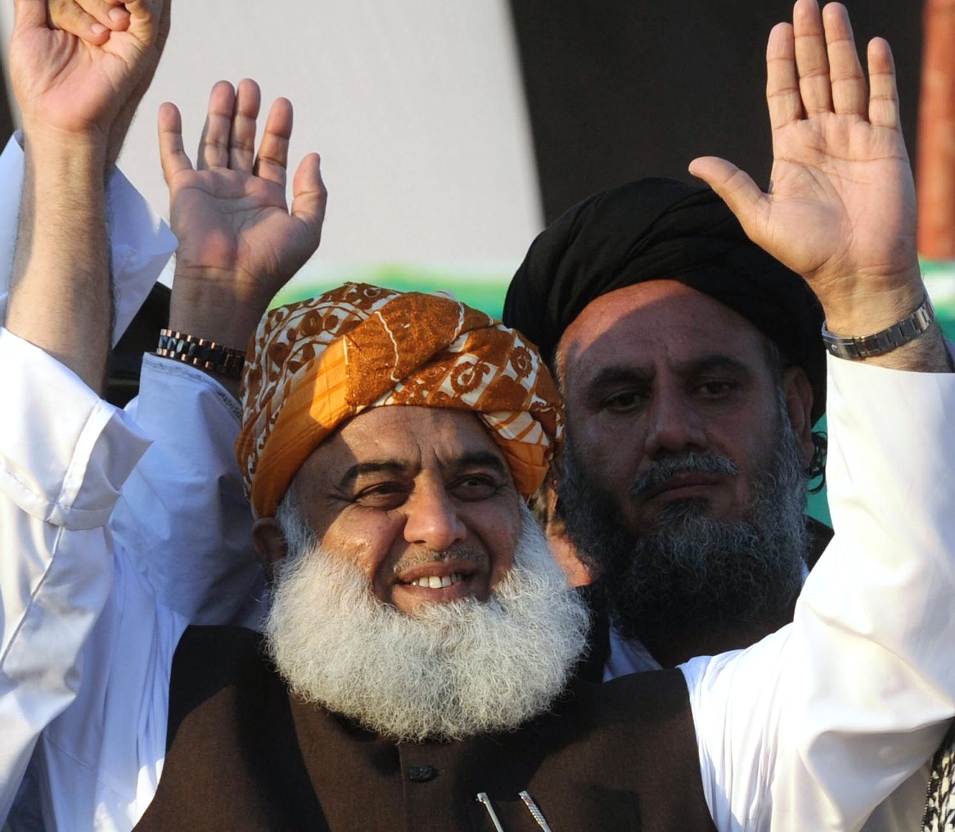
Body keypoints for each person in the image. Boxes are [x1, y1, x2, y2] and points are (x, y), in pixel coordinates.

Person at [5, 3, 955, 832]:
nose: (440, 528)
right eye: (378, 488)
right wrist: (69, 158)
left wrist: (870, 292)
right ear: (275, 549)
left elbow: (894, 646)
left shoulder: (677, 738)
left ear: (539, 522)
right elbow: (35, 526)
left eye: (478, 482)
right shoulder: (145, 724)